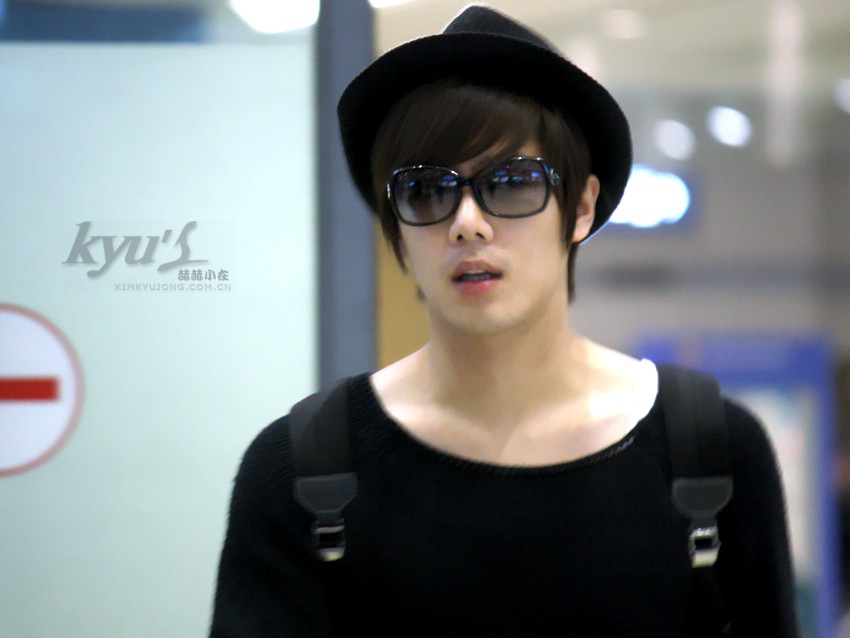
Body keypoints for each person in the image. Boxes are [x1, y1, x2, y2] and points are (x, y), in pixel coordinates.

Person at [209, 5, 800, 637]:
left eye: (512, 181)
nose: (468, 223)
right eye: (426, 190)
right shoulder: (305, 470)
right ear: (396, 228)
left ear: (581, 207)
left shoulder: (707, 454)